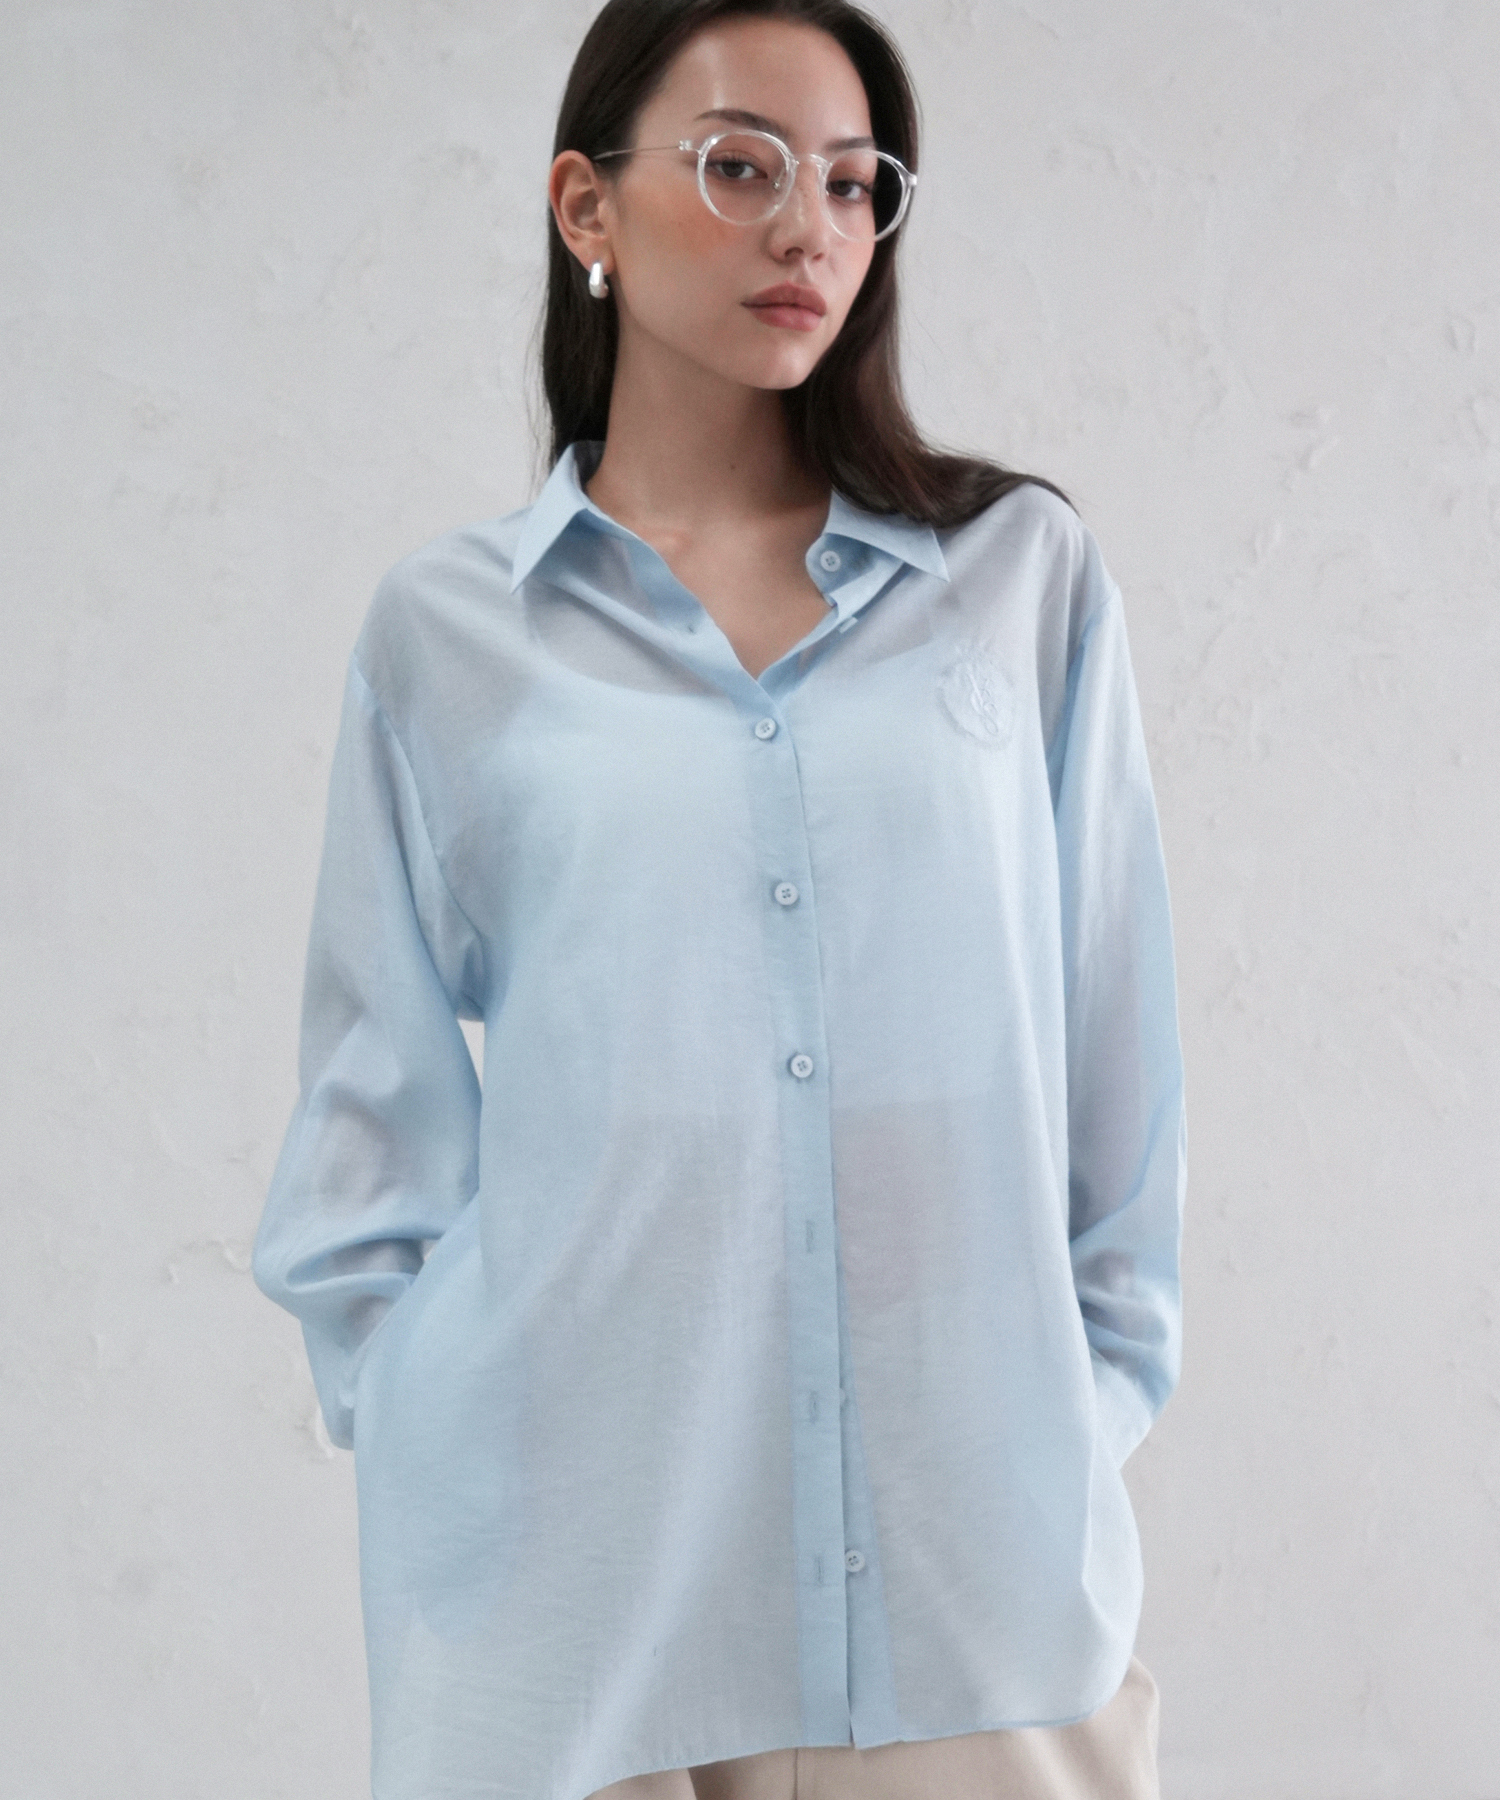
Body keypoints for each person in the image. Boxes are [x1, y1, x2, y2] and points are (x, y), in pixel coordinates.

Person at [250, 2, 1187, 1797]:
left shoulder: (1015, 583)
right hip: (575, 1617)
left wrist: (1078, 1414)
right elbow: (367, 1138)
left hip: (973, 1598)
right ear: (584, 207)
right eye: (741, 167)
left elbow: (1114, 1055)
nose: (807, 229)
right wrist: (442, 1429)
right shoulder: (451, 635)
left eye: (852, 183)